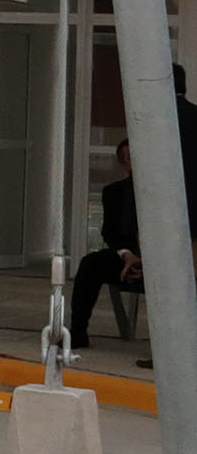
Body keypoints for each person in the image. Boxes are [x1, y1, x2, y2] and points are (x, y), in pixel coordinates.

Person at [69, 142, 142, 356]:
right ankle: (78, 331)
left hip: (167, 261)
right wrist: (128, 256)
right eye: (132, 157)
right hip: (129, 257)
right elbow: (110, 233)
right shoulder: (113, 193)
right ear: (124, 164)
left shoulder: (176, 190)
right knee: (91, 264)